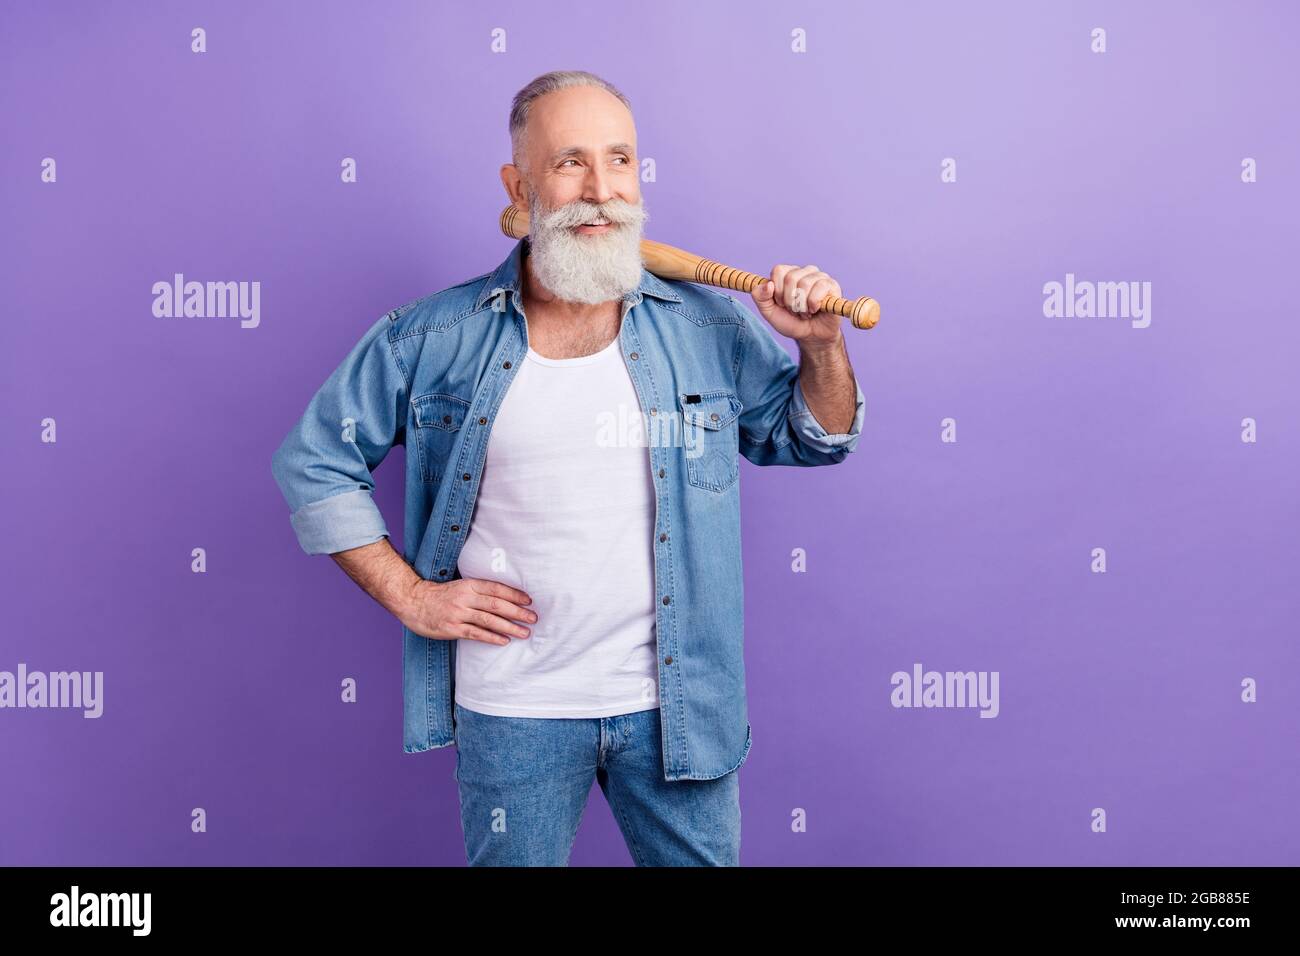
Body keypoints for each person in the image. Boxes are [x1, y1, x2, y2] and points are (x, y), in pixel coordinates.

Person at [271, 69, 866, 866]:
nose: (601, 189)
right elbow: (315, 463)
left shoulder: (707, 323)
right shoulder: (432, 338)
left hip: (680, 714)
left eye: (620, 161)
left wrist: (821, 346)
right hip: (512, 713)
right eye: (570, 163)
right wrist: (410, 595)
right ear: (519, 188)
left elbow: (814, 437)